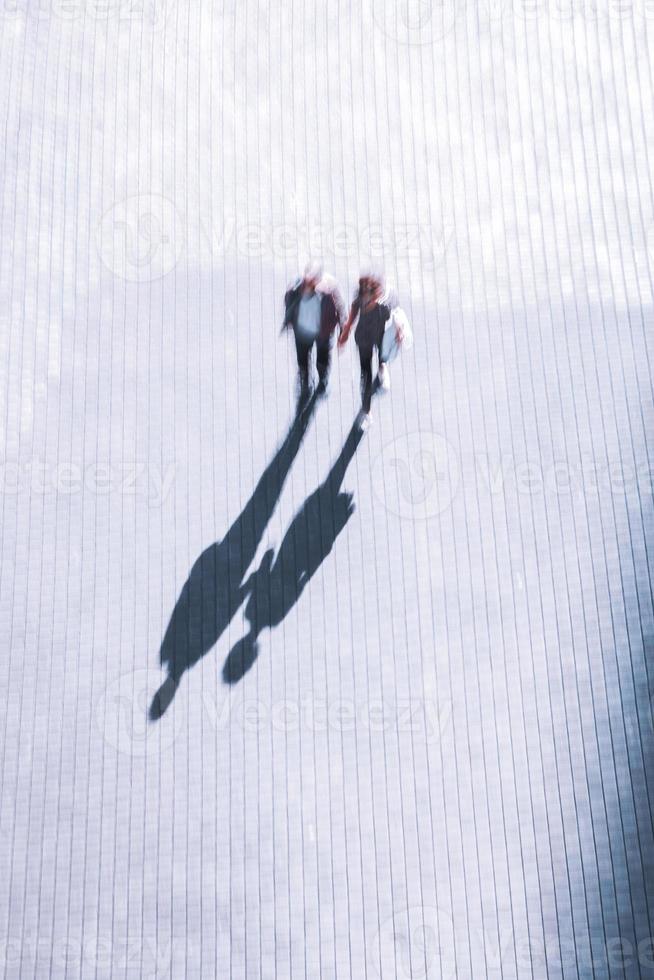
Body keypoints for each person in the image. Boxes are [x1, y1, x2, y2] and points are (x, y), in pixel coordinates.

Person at [338, 273, 402, 429]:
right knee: (365, 374)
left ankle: (382, 369)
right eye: (365, 296)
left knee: (382, 357)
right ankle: (366, 411)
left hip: (382, 336)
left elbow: (397, 314)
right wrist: (344, 335)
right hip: (364, 338)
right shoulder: (360, 299)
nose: (367, 301)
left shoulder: (387, 300)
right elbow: (352, 316)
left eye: (370, 297)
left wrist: (399, 330)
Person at [283, 263, 345, 396]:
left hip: (322, 332)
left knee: (323, 359)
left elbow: (340, 308)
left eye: (312, 281)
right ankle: (305, 381)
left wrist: (343, 330)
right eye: (307, 280)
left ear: (318, 279)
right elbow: (288, 301)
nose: (309, 284)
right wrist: (289, 320)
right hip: (301, 332)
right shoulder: (295, 287)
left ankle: (323, 379)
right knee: (302, 360)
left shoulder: (330, 288)